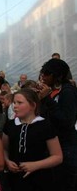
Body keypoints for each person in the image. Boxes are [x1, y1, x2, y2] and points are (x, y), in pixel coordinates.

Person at [2, 88, 63, 191]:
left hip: (40, 180)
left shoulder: (45, 126)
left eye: (19, 103)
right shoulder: (10, 125)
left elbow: (57, 157)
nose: (15, 106)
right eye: (14, 103)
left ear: (33, 106)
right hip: (15, 180)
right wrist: (7, 161)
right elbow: (4, 149)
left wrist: (35, 165)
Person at [38, 58, 77, 191]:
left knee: (64, 182)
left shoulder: (68, 92)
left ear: (58, 76)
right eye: (42, 73)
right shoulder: (51, 91)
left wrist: (47, 99)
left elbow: (67, 121)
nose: (43, 76)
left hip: (66, 147)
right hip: (52, 145)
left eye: (47, 73)